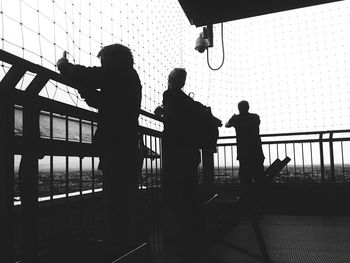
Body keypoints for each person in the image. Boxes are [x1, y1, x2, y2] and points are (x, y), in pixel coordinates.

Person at [57, 44, 143, 243]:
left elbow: (90, 77)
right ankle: (126, 246)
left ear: (112, 59)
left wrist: (64, 66)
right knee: (123, 203)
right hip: (125, 146)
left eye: (103, 62)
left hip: (117, 147)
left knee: (115, 202)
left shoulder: (119, 72)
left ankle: (119, 247)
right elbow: (103, 100)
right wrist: (84, 88)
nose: (103, 66)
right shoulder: (128, 77)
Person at [154, 68, 207, 261]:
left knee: (176, 196)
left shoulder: (170, 95)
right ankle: (192, 238)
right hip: (190, 153)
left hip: (176, 154)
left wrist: (161, 112)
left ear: (170, 79)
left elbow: (170, 118)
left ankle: (178, 241)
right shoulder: (189, 102)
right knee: (188, 194)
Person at [225, 100, 265, 212]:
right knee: (258, 181)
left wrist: (232, 118)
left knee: (245, 182)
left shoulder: (236, 119)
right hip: (257, 153)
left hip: (244, 154)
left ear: (239, 108)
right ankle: (259, 208)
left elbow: (227, 125)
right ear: (248, 107)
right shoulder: (255, 117)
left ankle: (247, 208)